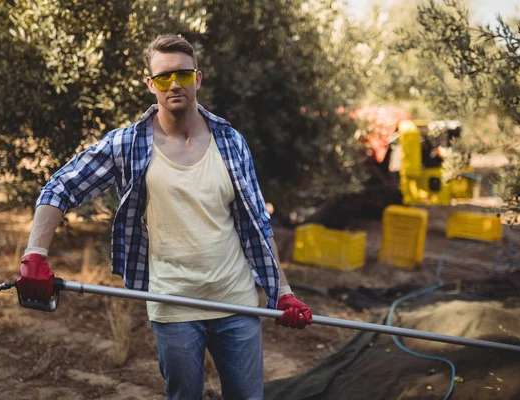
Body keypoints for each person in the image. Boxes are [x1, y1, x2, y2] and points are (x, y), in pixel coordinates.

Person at [17, 33, 313, 400]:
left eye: (183, 75)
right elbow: (60, 187)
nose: (174, 84)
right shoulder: (127, 144)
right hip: (173, 305)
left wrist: (282, 292)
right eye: (163, 78)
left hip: (236, 302)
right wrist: (34, 254)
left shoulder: (231, 141)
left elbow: (256, 222)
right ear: (149, 85)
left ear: (198, 78)